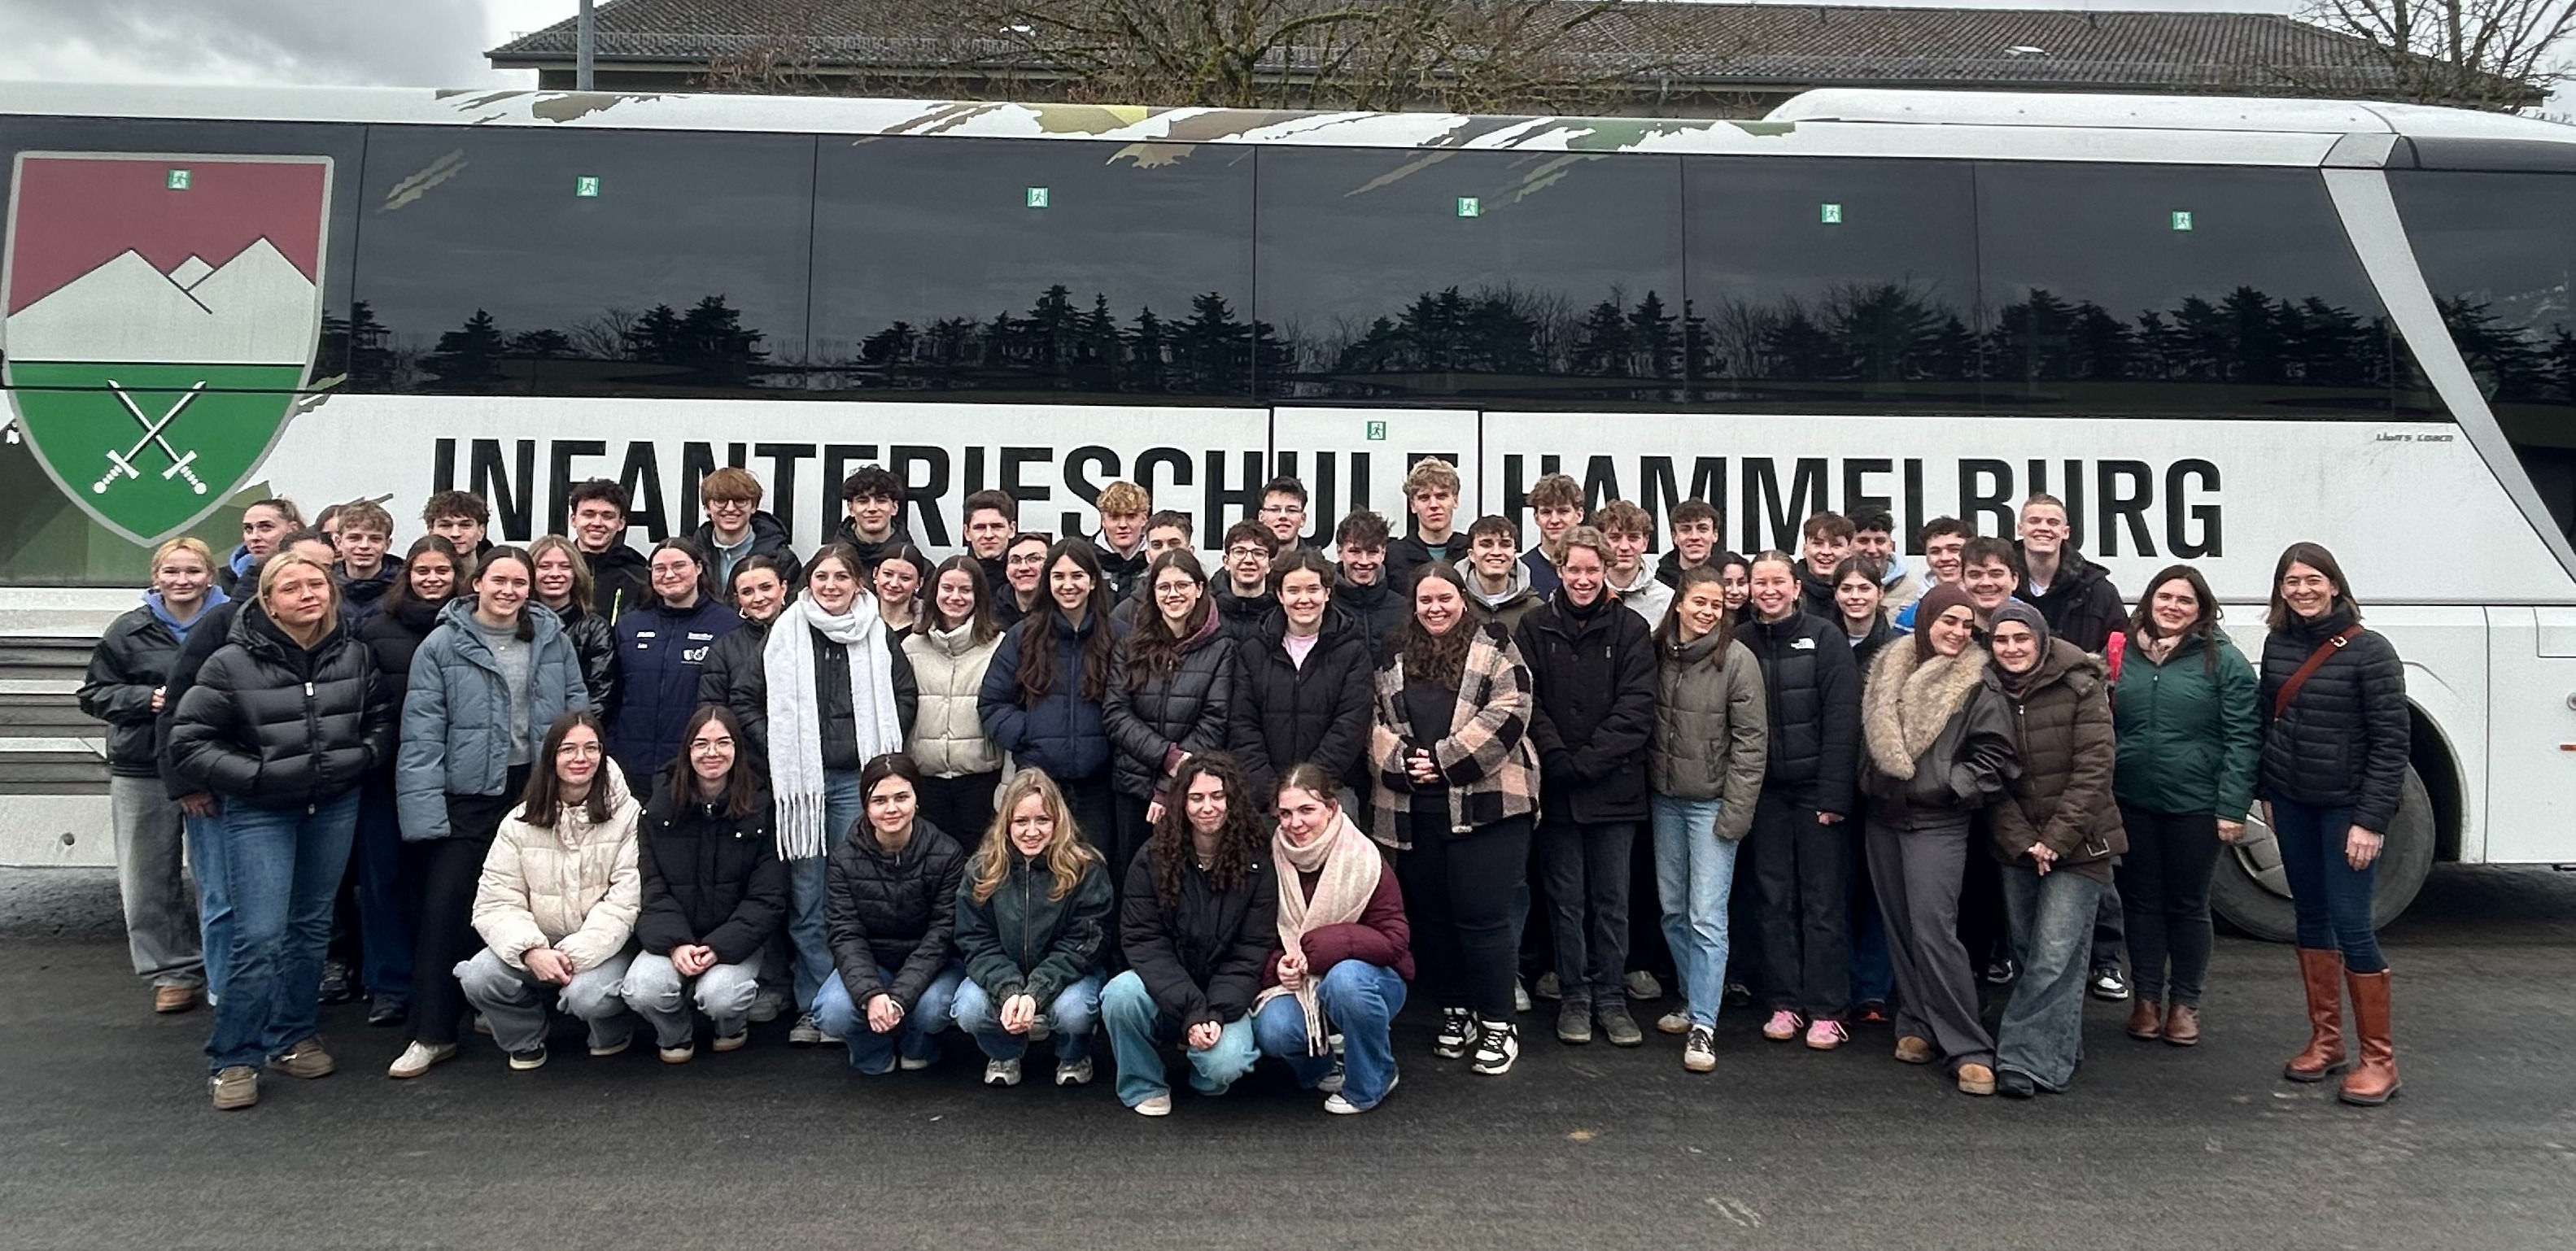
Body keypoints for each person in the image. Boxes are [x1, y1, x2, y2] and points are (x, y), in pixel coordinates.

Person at [169, 547, 391, 1109]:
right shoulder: (230, 663)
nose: (307, 595)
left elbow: (380, 720)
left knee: (311, 927)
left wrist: (360, 758)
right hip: (261, 811)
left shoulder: (353, 655)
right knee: (260, 935)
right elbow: (189, 740)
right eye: (291, 588)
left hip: (333, 806)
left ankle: (292, 1035)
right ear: (268, 601)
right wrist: (255, 777)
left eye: (316, 585)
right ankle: (234, 1058)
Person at [387, 545, 592, 1079]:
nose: (508, 591)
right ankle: (432, 1034)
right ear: (476, 583)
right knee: (445, 910)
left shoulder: (551, 639)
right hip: (469, 797)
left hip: (535, 791)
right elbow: (422, 736)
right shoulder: (441, 645)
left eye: (519, 583)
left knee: (534, 907)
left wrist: (578, 784)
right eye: (498, 580)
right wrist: (425, 817)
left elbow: (577, 712)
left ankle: (506, 1011)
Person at [737, 543, 918, 1046]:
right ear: (808, 583)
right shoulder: (784, 632)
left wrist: (877, 757)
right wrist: (779, 744)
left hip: (860, 785)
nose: (831, 586)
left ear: (859, 583)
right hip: (802, 789)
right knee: (808, 898)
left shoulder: (878, 633)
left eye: (841, 577)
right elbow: (747, 700)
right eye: (822, 577)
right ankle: (814, 1006)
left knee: (854, 898)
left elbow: (904, 696)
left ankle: (855, 1000)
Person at [154, 530, 341, 1012]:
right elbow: (180, 711)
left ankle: (285, 1013)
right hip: (227, 792)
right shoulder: (223, 625)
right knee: (224, 901)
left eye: (321, 574)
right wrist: (191, 784)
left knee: (295, 912)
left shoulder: (339, 636)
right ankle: (227, 997)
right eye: (295, 576)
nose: (309, 587)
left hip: (305, 795)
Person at [1369, 560, 1539, 1076]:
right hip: (1414, 808)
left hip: (1489, 805)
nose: (1435, 608)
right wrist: (1404, 762)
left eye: (1445, 598)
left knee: (1483, 918)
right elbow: (1373, 719)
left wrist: (1444, 760)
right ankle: (1455, 1009)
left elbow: (1512, 709)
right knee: (1434, 919)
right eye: (1425, 600)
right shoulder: (1394, 653)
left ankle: (1498, 1022)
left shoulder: (1495, 646)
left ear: (1462, 600)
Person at [2259, 543, 2408, 1105]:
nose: (2302, 590)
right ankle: (2327, 1042)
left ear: (2335, 585)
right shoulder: (2278, 644)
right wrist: (2266, 792)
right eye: (2292, 582)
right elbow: (2267, 721)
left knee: (2352, 922)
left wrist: (2370, 820)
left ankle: (2380, 1060)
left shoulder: (2372, 651)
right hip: (2292, 802)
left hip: (2347, 809)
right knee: (2310, 916)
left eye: (2312, 580)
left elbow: (2392, 744)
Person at [1858, 582, 2019, 1096]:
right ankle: (1917, 1024)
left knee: (1934, 932)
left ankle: (1968, 1046)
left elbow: (1996, 756)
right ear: (1926, 620)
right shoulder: (1889, 666)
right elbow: (1867, 737)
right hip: (1884, 815)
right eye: (1949, 620)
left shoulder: (1978, 682)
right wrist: (1868, 780)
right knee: (1901, 928)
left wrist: (1947, 785)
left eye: (1967, 624)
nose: (1958, 632)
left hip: (1938, 820)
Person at [1516, 525, 1657, 1048]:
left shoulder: (1631, 628)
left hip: (1615, 789)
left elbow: (1637, 707)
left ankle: (1612, 998)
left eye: (1592, 570)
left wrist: (1590, 761)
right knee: (1565, 902)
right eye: (1573, 569)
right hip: (1556, 789)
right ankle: (1575, 997)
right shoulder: (1534, 626)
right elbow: (1526, 700)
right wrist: (1558, 759)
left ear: (1606, 571)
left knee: (1613, 902)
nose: (1582, 579)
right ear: (1558, 569)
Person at [2111, 565, 2260, 1048]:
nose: (2172, 607)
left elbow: (2243, 738)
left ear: (2202, 610)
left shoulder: (2224, 660)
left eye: (2185, 600)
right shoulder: (2125, 655)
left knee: (2188, 904)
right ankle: (2146, 1000)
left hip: (2196, 804)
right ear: (2149, 601)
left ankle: (2184, 1004)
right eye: (2165, 597)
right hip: (2133, 798)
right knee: (2141, 902)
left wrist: (2232, 807)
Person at [1984, 602, 2127, 1098]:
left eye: (2021, 638)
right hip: (2017, 845)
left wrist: (2055, 840)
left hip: (2081, 844)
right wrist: (2024, 841)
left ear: (2041, 639)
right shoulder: (1984, 689)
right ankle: (2059, 1046)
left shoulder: (2082, 685)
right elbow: (1988, 773)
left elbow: (2095, 770)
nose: (2012, 649)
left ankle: (2024, 1060)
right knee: (2028, 953)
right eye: (2001, 640)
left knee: (2054, 957)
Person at [456, 712, 644, 1072]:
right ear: (551, 758)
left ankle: (612, 1030)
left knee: (587, 995)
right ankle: (525, 1036)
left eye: (591, 748)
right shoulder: (518, 822)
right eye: (568, 749)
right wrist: (530, 950)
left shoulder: (629, 817)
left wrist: (575, 954)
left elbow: (625, 902)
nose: (580, 758)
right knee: (478, 976)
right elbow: (496, 902)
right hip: (539, 945)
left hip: (605, 947)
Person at [81, 537, 221, 1014]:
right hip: (141, 767)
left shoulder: (231, 622)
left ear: (210, 575)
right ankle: (172, 971)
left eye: (193, 571)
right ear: (155, 577)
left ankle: (224, 968)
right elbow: (94, 694)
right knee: (147, 879)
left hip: (211, 762)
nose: (183, 581)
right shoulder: (127, 630)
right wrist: (145, 700)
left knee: (219, 878)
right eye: (172, 572)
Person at [1101, 754, 1276, 1115]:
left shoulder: (1257, 862)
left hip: (1224, 995)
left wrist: (1214, 1013)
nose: (1207, 807)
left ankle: (1203, 1072)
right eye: (1196, 798)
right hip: (1168, 989)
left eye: (1217, 796)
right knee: (1120, 995)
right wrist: (1192, 1010)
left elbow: (1252, 950)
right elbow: (1144, 942)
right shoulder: (1152, 858)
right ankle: (1144, 1083)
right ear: (1181, 802)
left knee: (1224, 1065)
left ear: (1232, 800)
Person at [1644, 564, 1768, 1071]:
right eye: (1699, 602)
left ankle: (1704, 1024)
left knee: (1707, 917)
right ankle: (1691, 996)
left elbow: (1752, 743)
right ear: (1680, 603)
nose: (1708, 612)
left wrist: (1736, 813)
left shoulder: (1737, 660)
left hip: (1712, 804)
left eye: (1717, 605)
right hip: (1664, 800)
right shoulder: (1658, 652)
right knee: (1673, 910)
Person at [1742, 550, 1863, 1049]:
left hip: (1817, 791)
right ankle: (1784, 1003)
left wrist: (1835, 794)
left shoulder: (1825, 637)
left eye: (1779, 581)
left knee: (1823, 901)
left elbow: (1843, 720)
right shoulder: (1741, 641)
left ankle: (1828, 1008)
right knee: (1773, 899)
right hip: (1764, 793)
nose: (1769, 590)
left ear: (1797, 587)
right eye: (1760, 582)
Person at [622, 706, 785, 1062]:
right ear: (687, 750)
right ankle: (675, 1033)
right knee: (643, 989)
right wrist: (676, 944)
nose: (712, 752)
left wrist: (718, 946)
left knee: (722, 996)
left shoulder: (760, 808)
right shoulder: (658, 810)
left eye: (723, 742)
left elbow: (767, 898)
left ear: (737, 748)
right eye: (701, 744)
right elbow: (651, 889)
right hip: (673, 939)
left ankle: (731, 1027)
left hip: (735, 940)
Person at [1254, 763, 1413, 1114]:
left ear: (1331, 808)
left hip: (1372, 981)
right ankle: (1321, 1067)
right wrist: (1277, 965)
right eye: (1285, 813)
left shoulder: (1365, 858)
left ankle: (1374, 1078)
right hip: (1299, 985)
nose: (1295, 823)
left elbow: (1395, 939)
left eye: (1307, 810)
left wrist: (1325, 947)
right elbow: (1253, 937)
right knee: (1273, 1029)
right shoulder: (1268, 860)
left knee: (1345, 981)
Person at [951, 769, 1114, 1088]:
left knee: (1075, 1011)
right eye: (1021, 821)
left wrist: (1037, 991)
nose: (1032, 831)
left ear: (1058, 821)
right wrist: (1009, 989)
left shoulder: (1086, 868)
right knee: (968, 1008)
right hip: (1002, 975)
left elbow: (1085, 944)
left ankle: (1074, 1053)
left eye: (1042, 820)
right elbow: (975, 941)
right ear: (1006, 823)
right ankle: (1004, 1052)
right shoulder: (982, 869)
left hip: (1066, 976)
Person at [1102, 550, 1236, 921]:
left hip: (1190, 791)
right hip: (1132, 787)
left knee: (1183, 885)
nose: (1173, 594)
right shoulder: (1129, 644)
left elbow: (1214, 721)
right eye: (1163, 587)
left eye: (1182, 585)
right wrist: (1168, 758)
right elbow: (1115, 713)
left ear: (1199, 589)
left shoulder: (1221, 648)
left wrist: (1169, 786)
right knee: (1133, 883)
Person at [817, 752, 968, 1074]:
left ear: (917, 800)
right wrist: (871, 994)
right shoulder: (844, 859)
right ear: (865, 806)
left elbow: (943, 934)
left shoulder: (947, 853)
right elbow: (845, 934)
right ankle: (872, 1052)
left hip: (935, 965)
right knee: (832, 1011)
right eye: (879, 800)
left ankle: (920, 1046)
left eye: (901, 797)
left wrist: (899, 997)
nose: (891, 809)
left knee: (933, 1009)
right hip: (874, 962)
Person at [981, 538, 1125, 848]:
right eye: (1059, 576)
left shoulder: (1118, 636)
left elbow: (1134, 703)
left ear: (1093, 581)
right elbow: (993, 703)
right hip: (1038, 784)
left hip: (1099, 787)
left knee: (1093, 865)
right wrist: (1030, 735)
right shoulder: (1023, 636)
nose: (1068, 585)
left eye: (1077, 576)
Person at [1228, 548, 1376, 805]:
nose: (1304, 599)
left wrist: (1308, 789)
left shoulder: (1352, 653)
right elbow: (1243, 725)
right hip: (1264, 797)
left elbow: (1349, 727)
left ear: (1327, 593)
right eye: (1294, 590)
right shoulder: (1253, 651)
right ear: (1280, 595)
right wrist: (1271, 792)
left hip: (1330, 792)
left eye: (1313, 589)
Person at [605, 537, 739, 785]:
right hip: (631, 765)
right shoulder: (630, 625)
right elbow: (612, 696)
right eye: (660, 568)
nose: (669, 575)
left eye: (679, 566)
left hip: (695, 766)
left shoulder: (728, 625)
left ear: (698, 568)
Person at [906, 556, 1008, 843]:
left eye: (965, 589)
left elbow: (1010, 713)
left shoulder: (999, 645)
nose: (955, 597)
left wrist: (1008, 784)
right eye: (947, 588)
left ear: (979, 595)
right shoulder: (911, 646)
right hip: (926, 779)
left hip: (980, 780)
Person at [2015, 494, 2126, 654]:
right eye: (2034, 521)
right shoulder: (2000, 585)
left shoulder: (2098, 590)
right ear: (2020, 529)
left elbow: (2122, 646)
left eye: (2053, 522)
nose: (2043, 528)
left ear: (2065, 532)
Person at [695, 554, 792, 727]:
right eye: (747, 592)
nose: (758, 598)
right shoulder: (724, 649)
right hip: (744, 742)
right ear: (738, 598)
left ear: (783, 588)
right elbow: (712, 712)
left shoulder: (809, 638)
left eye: (766, 588)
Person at [527, 534, 618, 709]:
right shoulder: (514, 624)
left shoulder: (594, 629)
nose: (555, 574)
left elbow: (600, 693)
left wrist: (576, 726)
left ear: (576, 573)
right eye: (544, 566)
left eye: (565, 566)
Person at [693, 465, 799, 591]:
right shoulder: (690, 556)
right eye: (720, 501)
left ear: (753, 507)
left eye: (740, 501)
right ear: (707, 508)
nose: (730, 508)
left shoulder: (782, 560)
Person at [566, 479, 651, 623]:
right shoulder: (555, 569)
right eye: (589, 514)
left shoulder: (640, 576)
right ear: (573, 520)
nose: (597, 523)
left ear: (621, 523)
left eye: (607, 516)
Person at [1332, 509, 1404, 660]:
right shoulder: (1324, 606)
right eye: (1355, 551)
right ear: (1339, 552)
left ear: (1383, 553)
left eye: (1372, 552)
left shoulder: (1403, 609)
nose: (1364, 561)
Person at [1385, 457, 1469, 582]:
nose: (1434, 505)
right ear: (1413, 505)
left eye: (1441, 496)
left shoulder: (1472, 551)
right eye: (1424, 498)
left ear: (1455, 500)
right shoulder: (1393, 555)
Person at [1593, 500, 1674, 629]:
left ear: (1645, 543)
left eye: (1633, 538)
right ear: (1601, 542)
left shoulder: (1667, 599)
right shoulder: (1586, 593)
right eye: (1615, 538)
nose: (1624, 547)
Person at [1464, 515, 1542, 633]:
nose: (1496, 552)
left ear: (1514, 553)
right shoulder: (1453, 603)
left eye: (1505, 544)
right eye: (1486, 544)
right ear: (1471, 555)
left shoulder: (1535, 609)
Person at [330, 499, 401, 626]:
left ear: (387, 545)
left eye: (375, 539)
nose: (364, 546)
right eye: (354, 538)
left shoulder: (405, 587)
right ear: (338, 542)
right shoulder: (324, 587)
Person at [1893, 517, 1971, 632]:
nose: (1945, 558)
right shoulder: (1910, 618)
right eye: (1935, 552)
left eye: (1954, 550)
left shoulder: (1991, 602)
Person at [216, 497, 301, 598]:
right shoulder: (225, 582)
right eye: (248, 529)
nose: (254, 537)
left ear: (292, 530)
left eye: (266, 527)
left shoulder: (315, 568)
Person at [1212, 521, 1278, 645]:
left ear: (1270, 565)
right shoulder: (1207, 611)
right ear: (1226, 561)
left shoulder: (1284, 613)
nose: (1248, 560)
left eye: (1258, 553)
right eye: (1239, 552)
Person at [836, 465, 915, 570]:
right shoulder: (827, 563)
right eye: (863, 501)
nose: (872, 508)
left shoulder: (919, 567)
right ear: (851, 508)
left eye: (881, 501)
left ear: (894, 508)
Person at [1519, 472, 1583, 597]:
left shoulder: (1595, 567)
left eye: (1563, 511)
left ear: (1579, 515)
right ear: (1536, 518)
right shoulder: (1521, 571)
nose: (1554, 520)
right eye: (1546, 512)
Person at [1833, 556, 1901, 672]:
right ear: (1836, 594)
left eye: (1864, 589)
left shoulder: (1896, 647)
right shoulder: (1821, 642)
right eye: (1846, 589)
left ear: (1880, 593)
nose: (1855, 596)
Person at [1091, 480, 1154, 605]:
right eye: (1114, 517)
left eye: (1131, 516)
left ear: (1144, 519)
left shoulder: (1156, 560)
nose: (1123, 525)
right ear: (1103, 520)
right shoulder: (1086, 560)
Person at [1851, 508, 1924, 616]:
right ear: (1849, 545)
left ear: (1891, 545)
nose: (1872, 549)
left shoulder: (1914, 593)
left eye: (1880, 541)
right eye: (1863, 541)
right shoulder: (1835, 588)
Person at [1794, 512, 1855, 621]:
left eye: (1835, 545)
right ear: (1805, 550)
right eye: (1818, 544)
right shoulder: (1788, 591)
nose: (1826, 552)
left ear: (1848, 552)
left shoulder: (1858, 593)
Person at [1653, 499, 1722, 590]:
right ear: (1674, 537)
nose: (1694, 537)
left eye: (1703, 529)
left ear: (1715, 535)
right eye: (1685, 529)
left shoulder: (1728, 580)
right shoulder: (1658, 585)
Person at [961, 488, 1017, 592]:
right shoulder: (951, 578)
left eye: (997, 526)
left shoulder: (1029, 579)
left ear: (1012, 529)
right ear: (966, 532)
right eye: (980, 528)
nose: (988, 535)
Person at [872, 542, 930, 640]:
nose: (894, 584)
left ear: (919, 583)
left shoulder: (929, 629)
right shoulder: (854, 621)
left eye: (905, 578)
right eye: (888, 574)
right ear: (875, 574)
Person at [994, 530, 1050, 630]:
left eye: (1033, 559)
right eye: (1015, 561)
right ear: (1006, 570)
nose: (1023, 568)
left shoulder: (1064, 612)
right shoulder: (991, 616)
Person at [421, 489, 491, 560]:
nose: (455, 534)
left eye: (465, 525)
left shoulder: (496, 566)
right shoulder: (415, 565)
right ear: (431, 531)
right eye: (445, 526)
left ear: (481, 532)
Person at [1259, 475, 1310, 553]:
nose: (1283, 516)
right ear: (1261, 517)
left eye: (1292, 510)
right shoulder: (1247, 559)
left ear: (1303, 519)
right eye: (1274, 510)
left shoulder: (1316, 561)